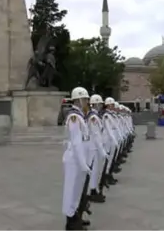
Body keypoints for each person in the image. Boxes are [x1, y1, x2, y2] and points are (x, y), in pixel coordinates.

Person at [62, 86, 92, 231]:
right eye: (85, 99)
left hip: (79, 158)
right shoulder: (74, 117)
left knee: (78, 190)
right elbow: (76, 142)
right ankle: (70, 222)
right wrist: (83, 164)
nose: (87, 102)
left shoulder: (80, 115)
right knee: (71, 190)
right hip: (74, 159)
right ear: (78, 100)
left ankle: (75, 217)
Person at [86, 94, 108, 203]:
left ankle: (94, 189)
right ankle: (92, 191)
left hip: (95, 147)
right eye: (99, 104)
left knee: (96, 171)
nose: (100, 106)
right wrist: (102, 151)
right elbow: (96, 135)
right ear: (95, 104)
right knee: (94, 171)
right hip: (93, 148)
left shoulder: (95, 116)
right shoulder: (93, 117)